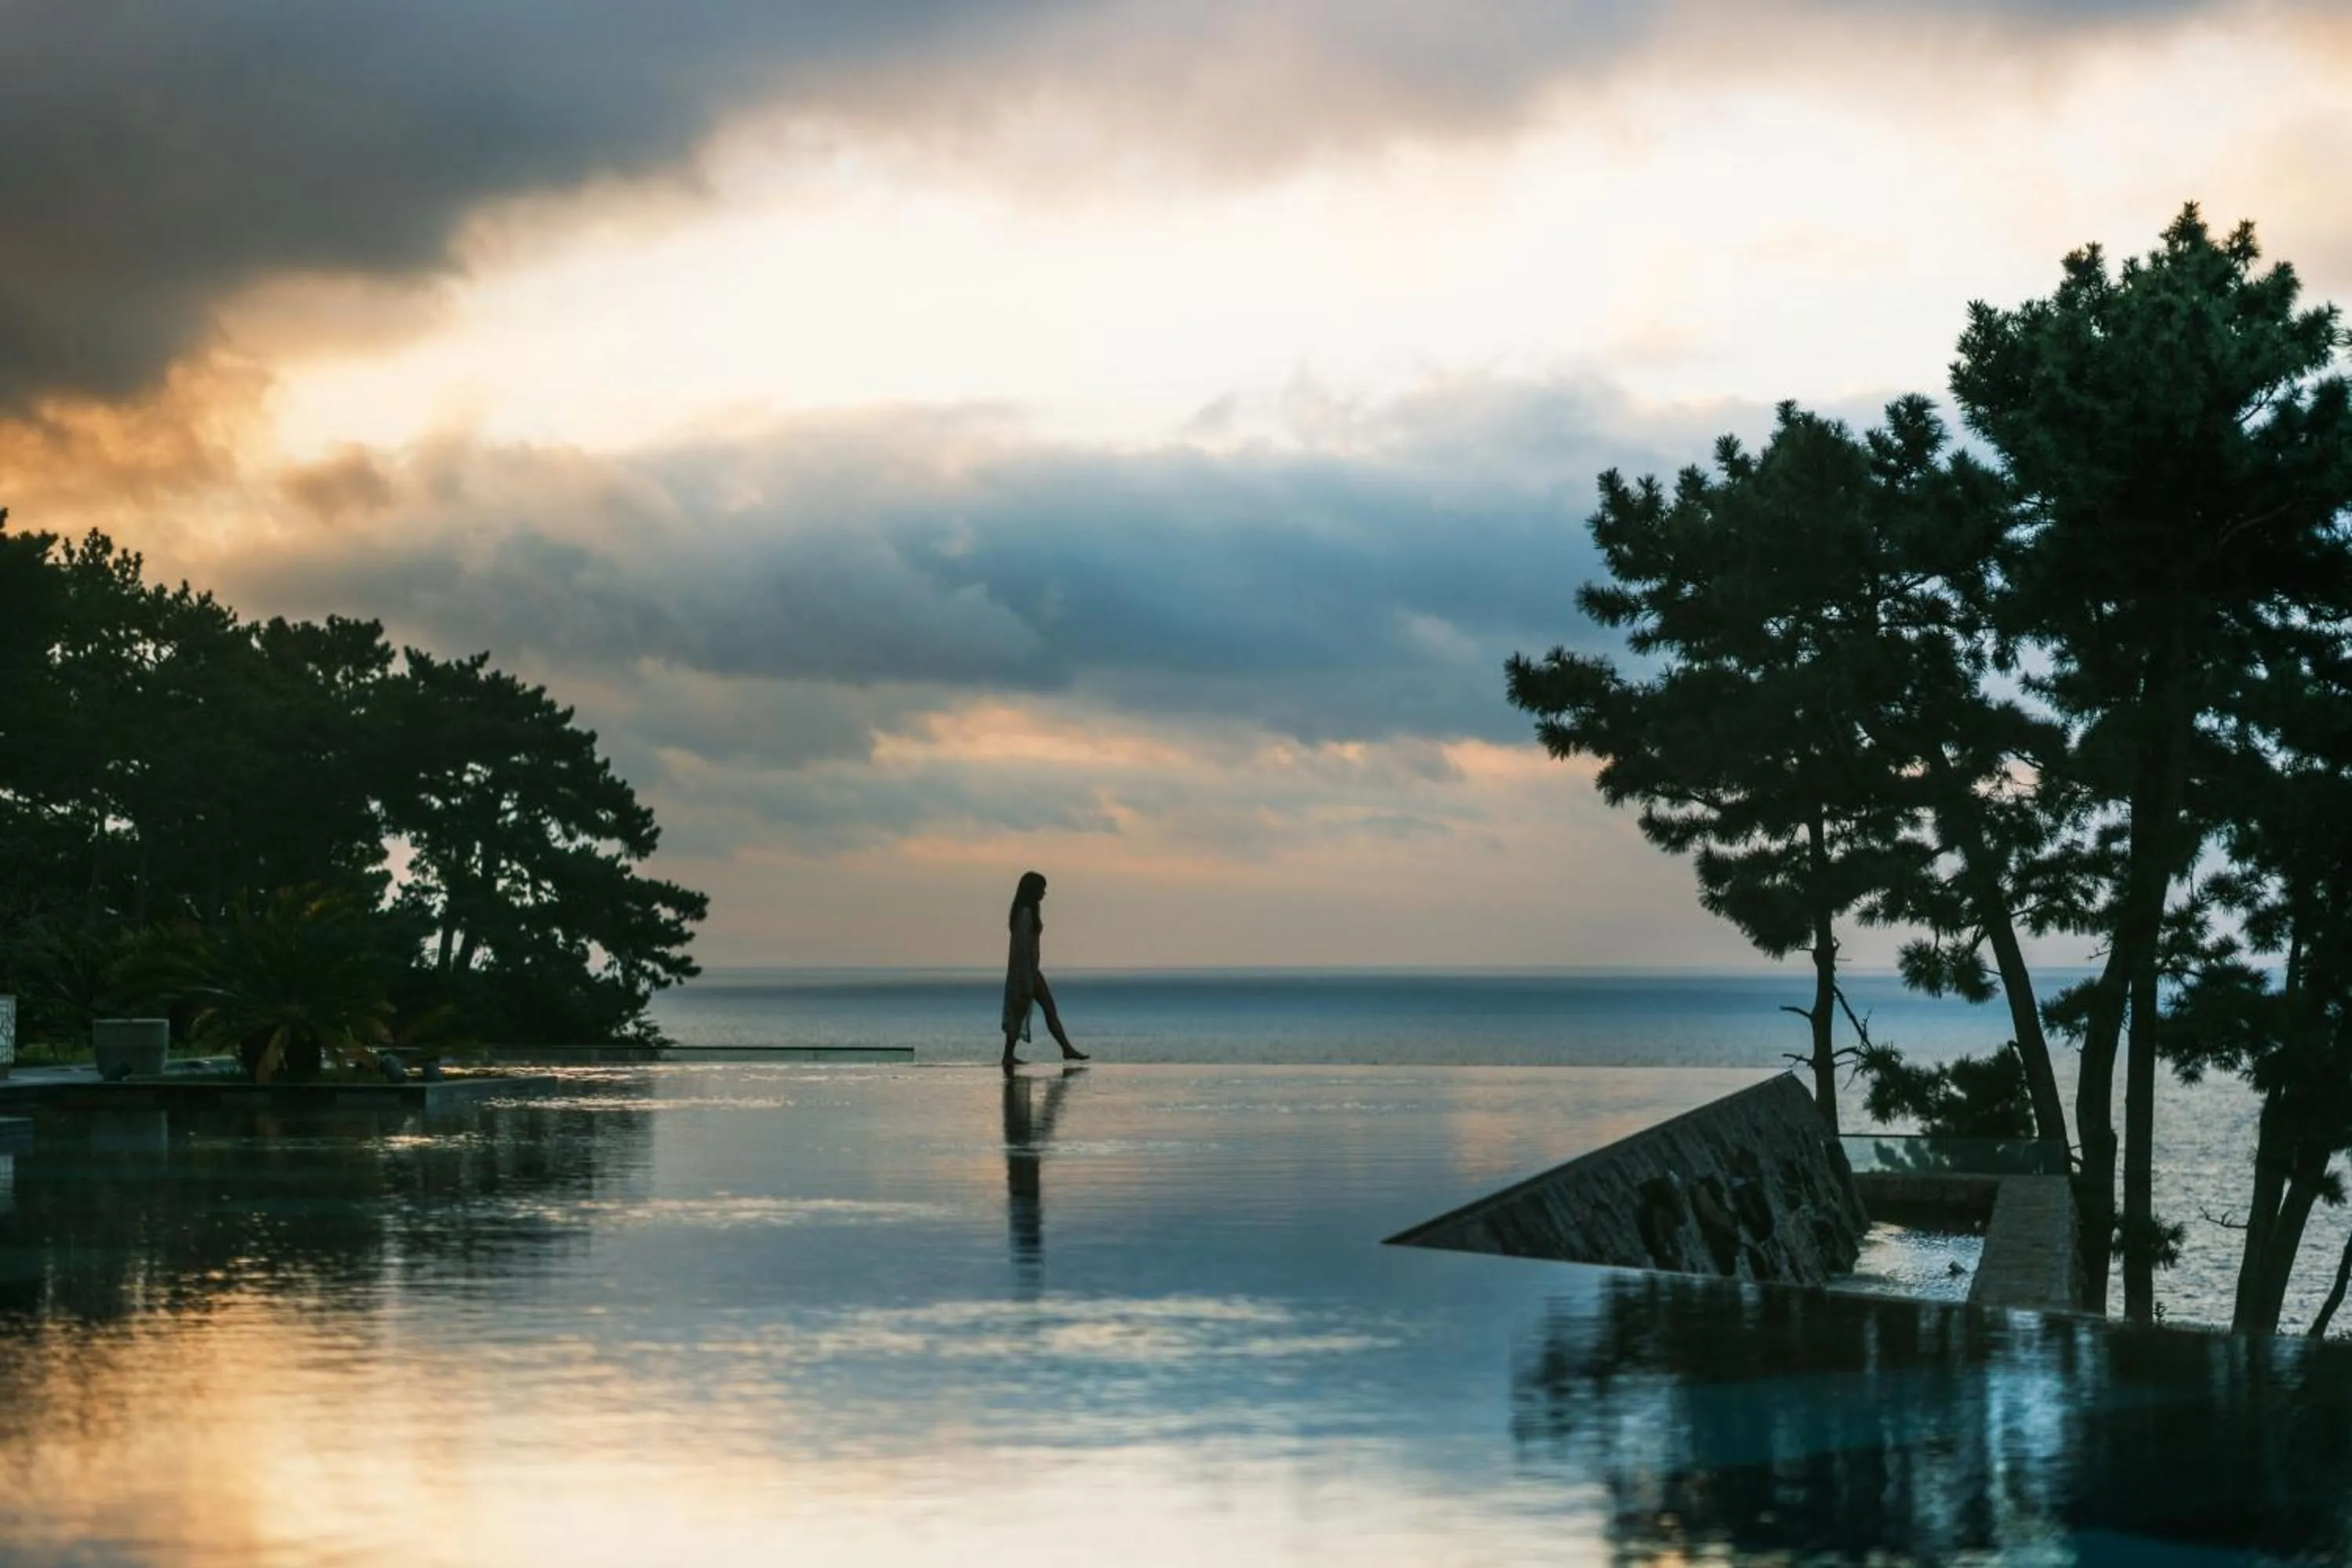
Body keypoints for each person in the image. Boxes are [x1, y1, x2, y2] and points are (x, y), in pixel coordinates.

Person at [1002, 869, 1088, 1071]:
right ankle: (1008, 1055)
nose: (1044, 893)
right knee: (1019, 1010)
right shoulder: (1024, 914)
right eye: (1042, 889)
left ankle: (1066, 1048)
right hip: (1024, 972)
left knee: (1046, 1009)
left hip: (1032, 971)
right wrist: (1025, 979)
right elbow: (1022, 949)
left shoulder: (1030, 911)